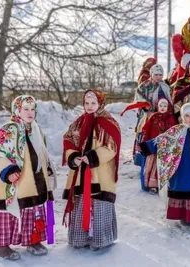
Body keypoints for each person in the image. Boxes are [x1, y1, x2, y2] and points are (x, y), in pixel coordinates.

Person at [0, 95, 56, 260]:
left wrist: (47, 168)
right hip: (14, 180)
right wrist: (8, 171)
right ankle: (0, 246)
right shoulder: (8, 129)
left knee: (33, 208)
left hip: (35, 180)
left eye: (33, 109)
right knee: (8, 211)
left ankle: (33, 240)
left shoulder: (36, 129)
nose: (30, 112)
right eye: (26, 109)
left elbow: (42, 152)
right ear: (17, 109)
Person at [62, 89, 121, 250]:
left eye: (93, 103)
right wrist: (74, 156)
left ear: (100, 103)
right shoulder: (78, 123)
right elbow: (68, 141)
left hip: (100, 173)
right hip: (81, 172)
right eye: (87, 103)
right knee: (81, 201)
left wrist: (93, 156)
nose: (89, 106)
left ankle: (99, 240)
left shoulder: (108, 122)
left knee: (98, 203)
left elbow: (112, 146)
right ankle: (80, 238)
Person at [131, 64, 171, 165]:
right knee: (144, 132)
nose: (158, 77)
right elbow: (139, 97)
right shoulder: (145, 85)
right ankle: (142, 159)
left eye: (160, 75)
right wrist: (145, 105)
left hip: (162, 115)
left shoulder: (165, 86)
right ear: (151, 74)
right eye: (156, 74)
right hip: (147, 115)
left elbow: (171, 98)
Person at [141, 98, 177, 194]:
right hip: (154, 146)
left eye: (165, 106)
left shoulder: (171, 118)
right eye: (161, 106)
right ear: (158, 106)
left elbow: (174, 132)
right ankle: (153, 186)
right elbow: (146, 130)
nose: (162, 108)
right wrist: (145, 142)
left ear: (168, 107)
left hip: (166, 147)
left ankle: (165, 186)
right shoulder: (153, 117)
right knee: (153, 165)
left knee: (164, 166)